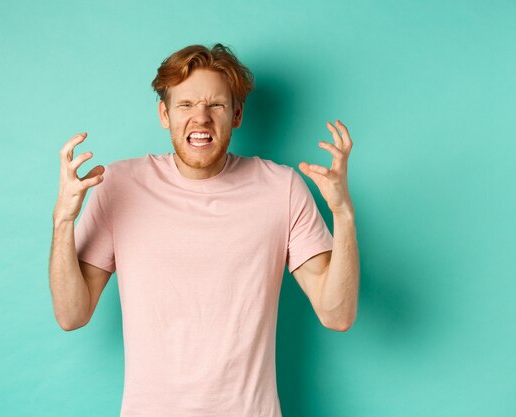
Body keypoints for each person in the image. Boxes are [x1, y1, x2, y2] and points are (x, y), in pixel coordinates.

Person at [49, 43, 359, 417]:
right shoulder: (118, 185)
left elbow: (336, 314)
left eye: (216, 105)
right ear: (164, 114)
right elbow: (71, 314)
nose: (201, 118)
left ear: (237, 114)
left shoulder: (282, 189)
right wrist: (63, 221)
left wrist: (343, 215)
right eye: (185, 105)